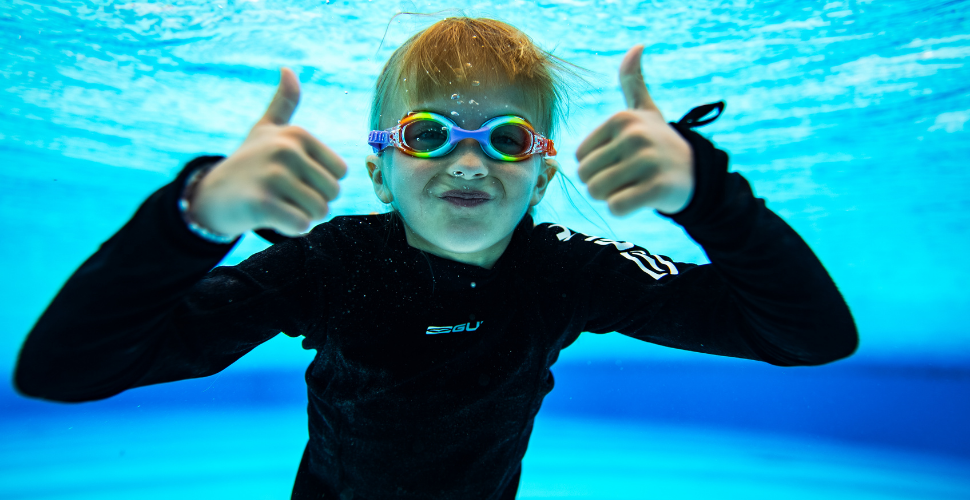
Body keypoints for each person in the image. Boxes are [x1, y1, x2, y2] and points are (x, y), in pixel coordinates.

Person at [14, 17, 857, 500]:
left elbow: (806, 335)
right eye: (426, 134)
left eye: (505, 138)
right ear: (380, 170)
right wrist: (199, 214)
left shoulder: (566, 268)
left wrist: (706, 193)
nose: (467, 161)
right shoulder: (331, 262)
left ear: (541, 169)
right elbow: (68, 370)